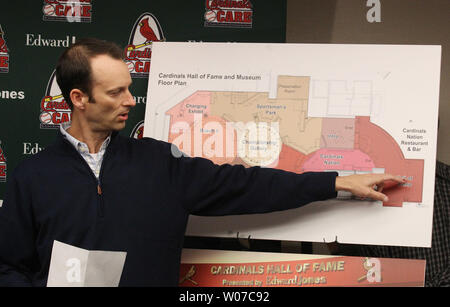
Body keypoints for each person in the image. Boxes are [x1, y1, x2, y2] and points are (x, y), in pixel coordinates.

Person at [0, 38, 405, 286]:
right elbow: (9, 266)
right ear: (78, 99)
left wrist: (335, 182)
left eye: (130, 89)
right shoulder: (32, 177)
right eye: (115, 92)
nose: (129, 101)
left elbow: (246, 185)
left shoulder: (160, 162)